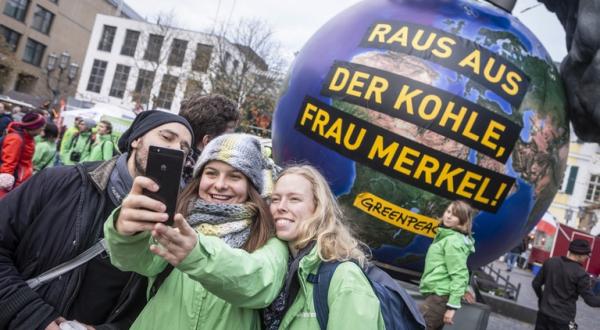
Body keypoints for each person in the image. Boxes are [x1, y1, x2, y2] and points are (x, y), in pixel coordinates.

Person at [0, 110, 194, 329]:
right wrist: (35, 318)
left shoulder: (175, 222)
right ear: (136, 140)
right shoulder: (61, 182)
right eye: (167, 137)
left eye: (184, 149)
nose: (176, 149)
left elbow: (151, 303)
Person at [104, 133, 288, 330]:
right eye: (211, 173)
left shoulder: (268, 236)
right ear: (199, 178)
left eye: (235, 176)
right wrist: (125, 232)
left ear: (252, 185)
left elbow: (260, 285)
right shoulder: (177, 219)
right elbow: (137, 261)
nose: (219, 184)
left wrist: (197, 254)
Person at [264, 165, 385, 329]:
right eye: (275, 199)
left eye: (294, 199)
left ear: (318, 209)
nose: (281, 207)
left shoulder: (345, 278)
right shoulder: (279, 270)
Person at [419, 200, 476, 330]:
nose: (449, 216)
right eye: (448, 211)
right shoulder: (448, 237)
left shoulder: (453, 241)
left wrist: (452, 307)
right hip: (438, 295)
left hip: (440, 298)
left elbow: (459, 274)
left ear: (462, 221)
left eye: (455, 215)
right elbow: (453, 269)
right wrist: (464, 289)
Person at [532, 239, 600, 330]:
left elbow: (536, 284)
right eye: (587, 255)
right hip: (564, 320)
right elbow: (591, 301)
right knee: (572, 327)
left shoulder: (551, 262)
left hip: (543, 315)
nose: (587, 257)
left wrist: (541, 298)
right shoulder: (581, 274)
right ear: (580, 254)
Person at [178, 93, 240, 183]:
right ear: (208, 141)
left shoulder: (171, 166)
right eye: (228, 140)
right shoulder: (203, 181)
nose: (233, 146)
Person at [0, 112, 46, 198]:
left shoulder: (29, 138)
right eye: (41, 127)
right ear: (34, 127)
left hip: (20, 181)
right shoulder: (16, 139)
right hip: (13, 184)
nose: (43, 129)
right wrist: (4, 192)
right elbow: (8, 164)